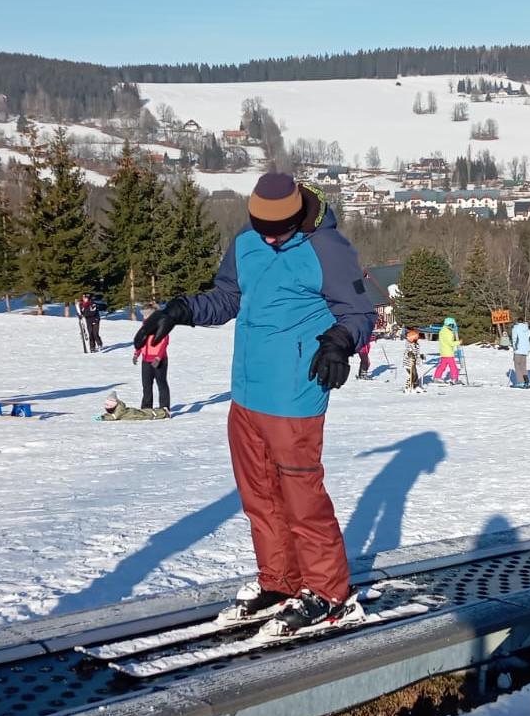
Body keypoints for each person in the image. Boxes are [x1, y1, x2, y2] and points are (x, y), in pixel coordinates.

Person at [133, 173, 374, 635]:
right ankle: (280, 583)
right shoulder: (246, 242)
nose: (268, 236)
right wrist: (178, 311)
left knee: (302, 499)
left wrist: (339, 343)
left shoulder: (327, 248)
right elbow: (228, 298)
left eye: (277, 229)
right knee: (259, 498)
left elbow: (359, 312)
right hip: (245, 394)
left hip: (295, 394)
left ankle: (330, 595)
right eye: (260, 225)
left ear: (298, 213)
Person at [134, 330, 171, 413]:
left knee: (161, 383)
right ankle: (146, 408)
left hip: (159, 360)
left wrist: (158, 357)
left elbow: (164, 343)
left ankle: (165, 408)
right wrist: (136, 354)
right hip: (146, 360)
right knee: (146, 384)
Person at [98, 391, 169, 421]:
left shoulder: (119, 409)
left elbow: (115, 416)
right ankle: (161, 411)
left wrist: (103, 418)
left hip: (134, 414)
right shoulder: (116, 408)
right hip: (132, 412)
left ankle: (164, 413)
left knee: (149, 414)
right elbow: (112, 414)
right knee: (146, 412)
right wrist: (104, 415)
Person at [432, 317, 461, 384]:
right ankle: (454, 379)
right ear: (449, 325)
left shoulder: (442, 331)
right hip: (448, 353)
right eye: (453, 325)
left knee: (442, 366)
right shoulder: (449, 333)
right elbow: (450, 343)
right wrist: (458, 342)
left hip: (443, 352)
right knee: (453, 367)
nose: (453, 327)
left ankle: (437, 377)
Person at [510, 316, 530, 387]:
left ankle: (521, 382)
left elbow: (514, 338)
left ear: (517, 321)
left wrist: (514, 347)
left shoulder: (515, 328)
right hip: (525, 350)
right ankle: (527, 381)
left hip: (518, 350)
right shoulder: (527, 329)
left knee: (517, 366)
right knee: (523, 366)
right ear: (523, 321)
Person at [403, 327, 425, 393]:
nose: (417, 339)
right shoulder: (409, 345)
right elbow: (407, 352)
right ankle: (407, 387)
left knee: (415, 375)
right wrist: (410, 355)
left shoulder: (417, 345)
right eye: (416, 338)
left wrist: (421, 357)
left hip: (413, 362)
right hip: (408, 363)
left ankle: (415, 386)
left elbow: (417, 354)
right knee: (412, 375)